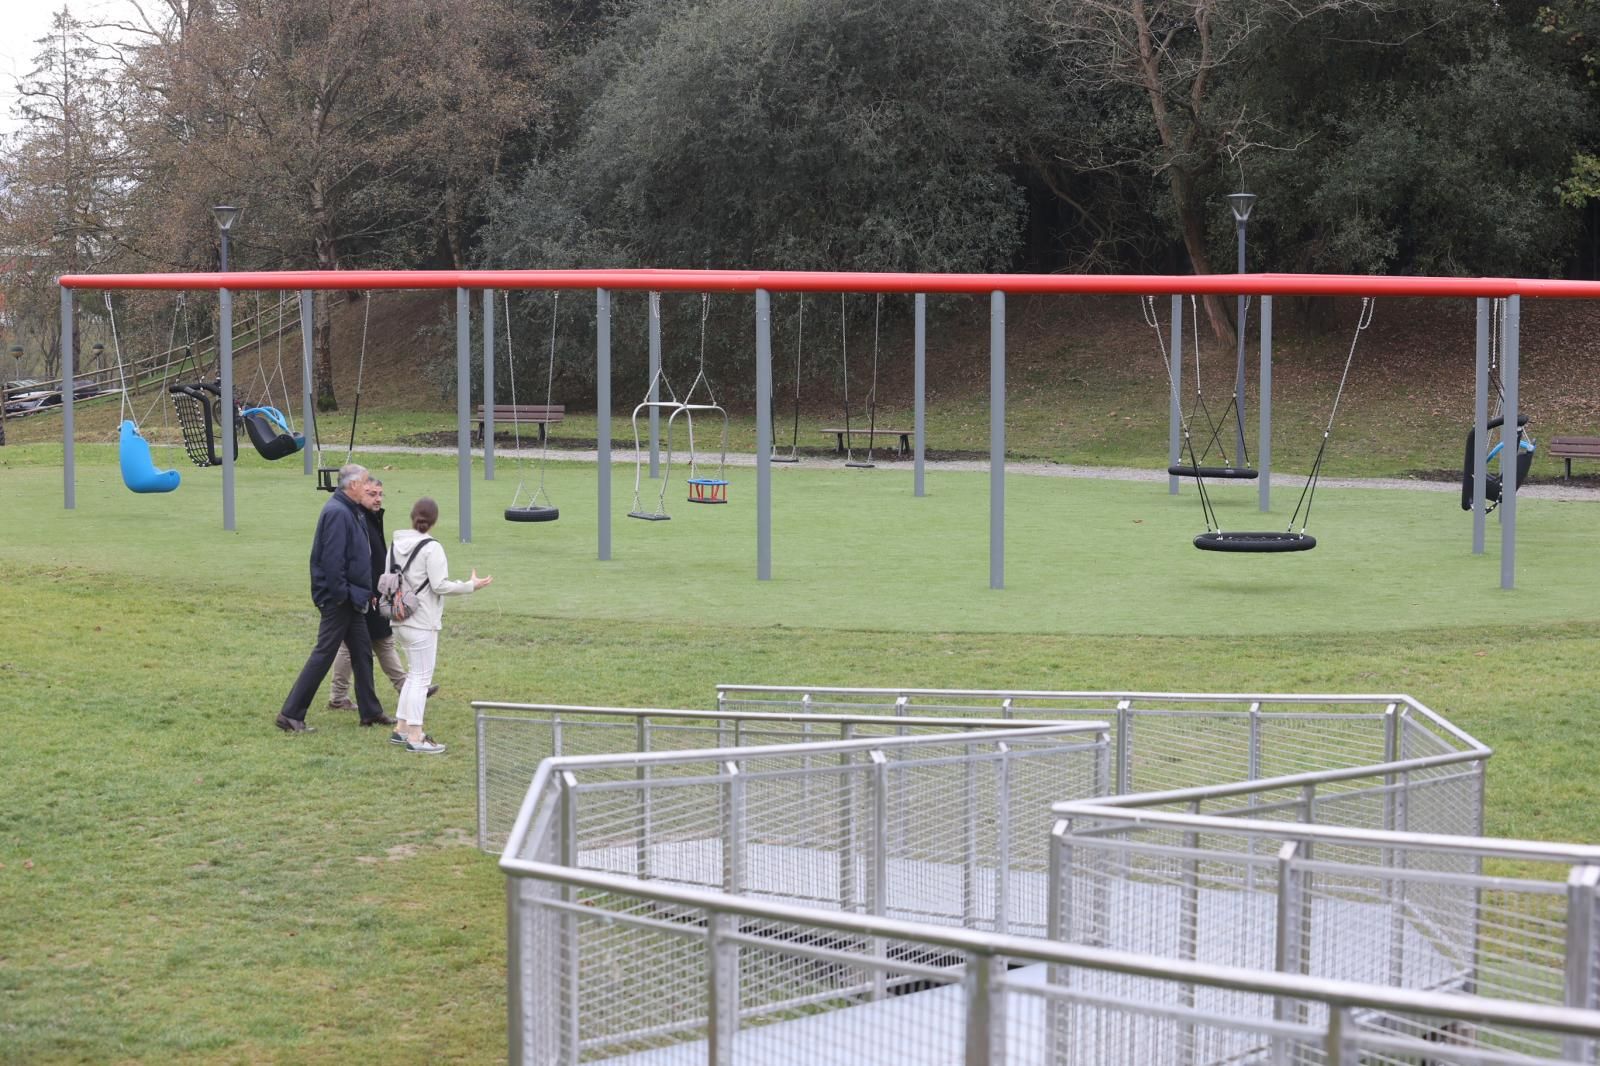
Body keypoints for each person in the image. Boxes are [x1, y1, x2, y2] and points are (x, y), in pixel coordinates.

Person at [275, 463, 397, 734]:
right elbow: (332, 562)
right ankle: (290, 714)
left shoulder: (349, 510)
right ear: (353, 485)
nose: (368, 487)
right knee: (324, 654)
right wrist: (345, 595)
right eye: (365, 482)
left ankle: (370, 711)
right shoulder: (338, 513)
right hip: (339, 600)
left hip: (352, 598)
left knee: (362, 653)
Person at [389, 497, 491, 754]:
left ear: (412, 516)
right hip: (422, 620)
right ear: (434, 521)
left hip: (398, 617)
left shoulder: (395, 544)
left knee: (413, 675)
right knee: (421, 678)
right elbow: (440, 585)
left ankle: (401, 728)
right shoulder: (432, 548)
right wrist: (470, 586)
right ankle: (415, 734)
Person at [327, 478, 438, 709]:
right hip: (366, 593)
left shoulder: (369, 518)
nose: (377, 498)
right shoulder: (357, 519)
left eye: (379, 494)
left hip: (375, 591)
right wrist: (369, 590)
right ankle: (340, 696)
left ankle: (406, 686)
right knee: (355, 645)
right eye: (371, 494)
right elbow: (357, 560)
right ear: (359, 494)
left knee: (381, 640)